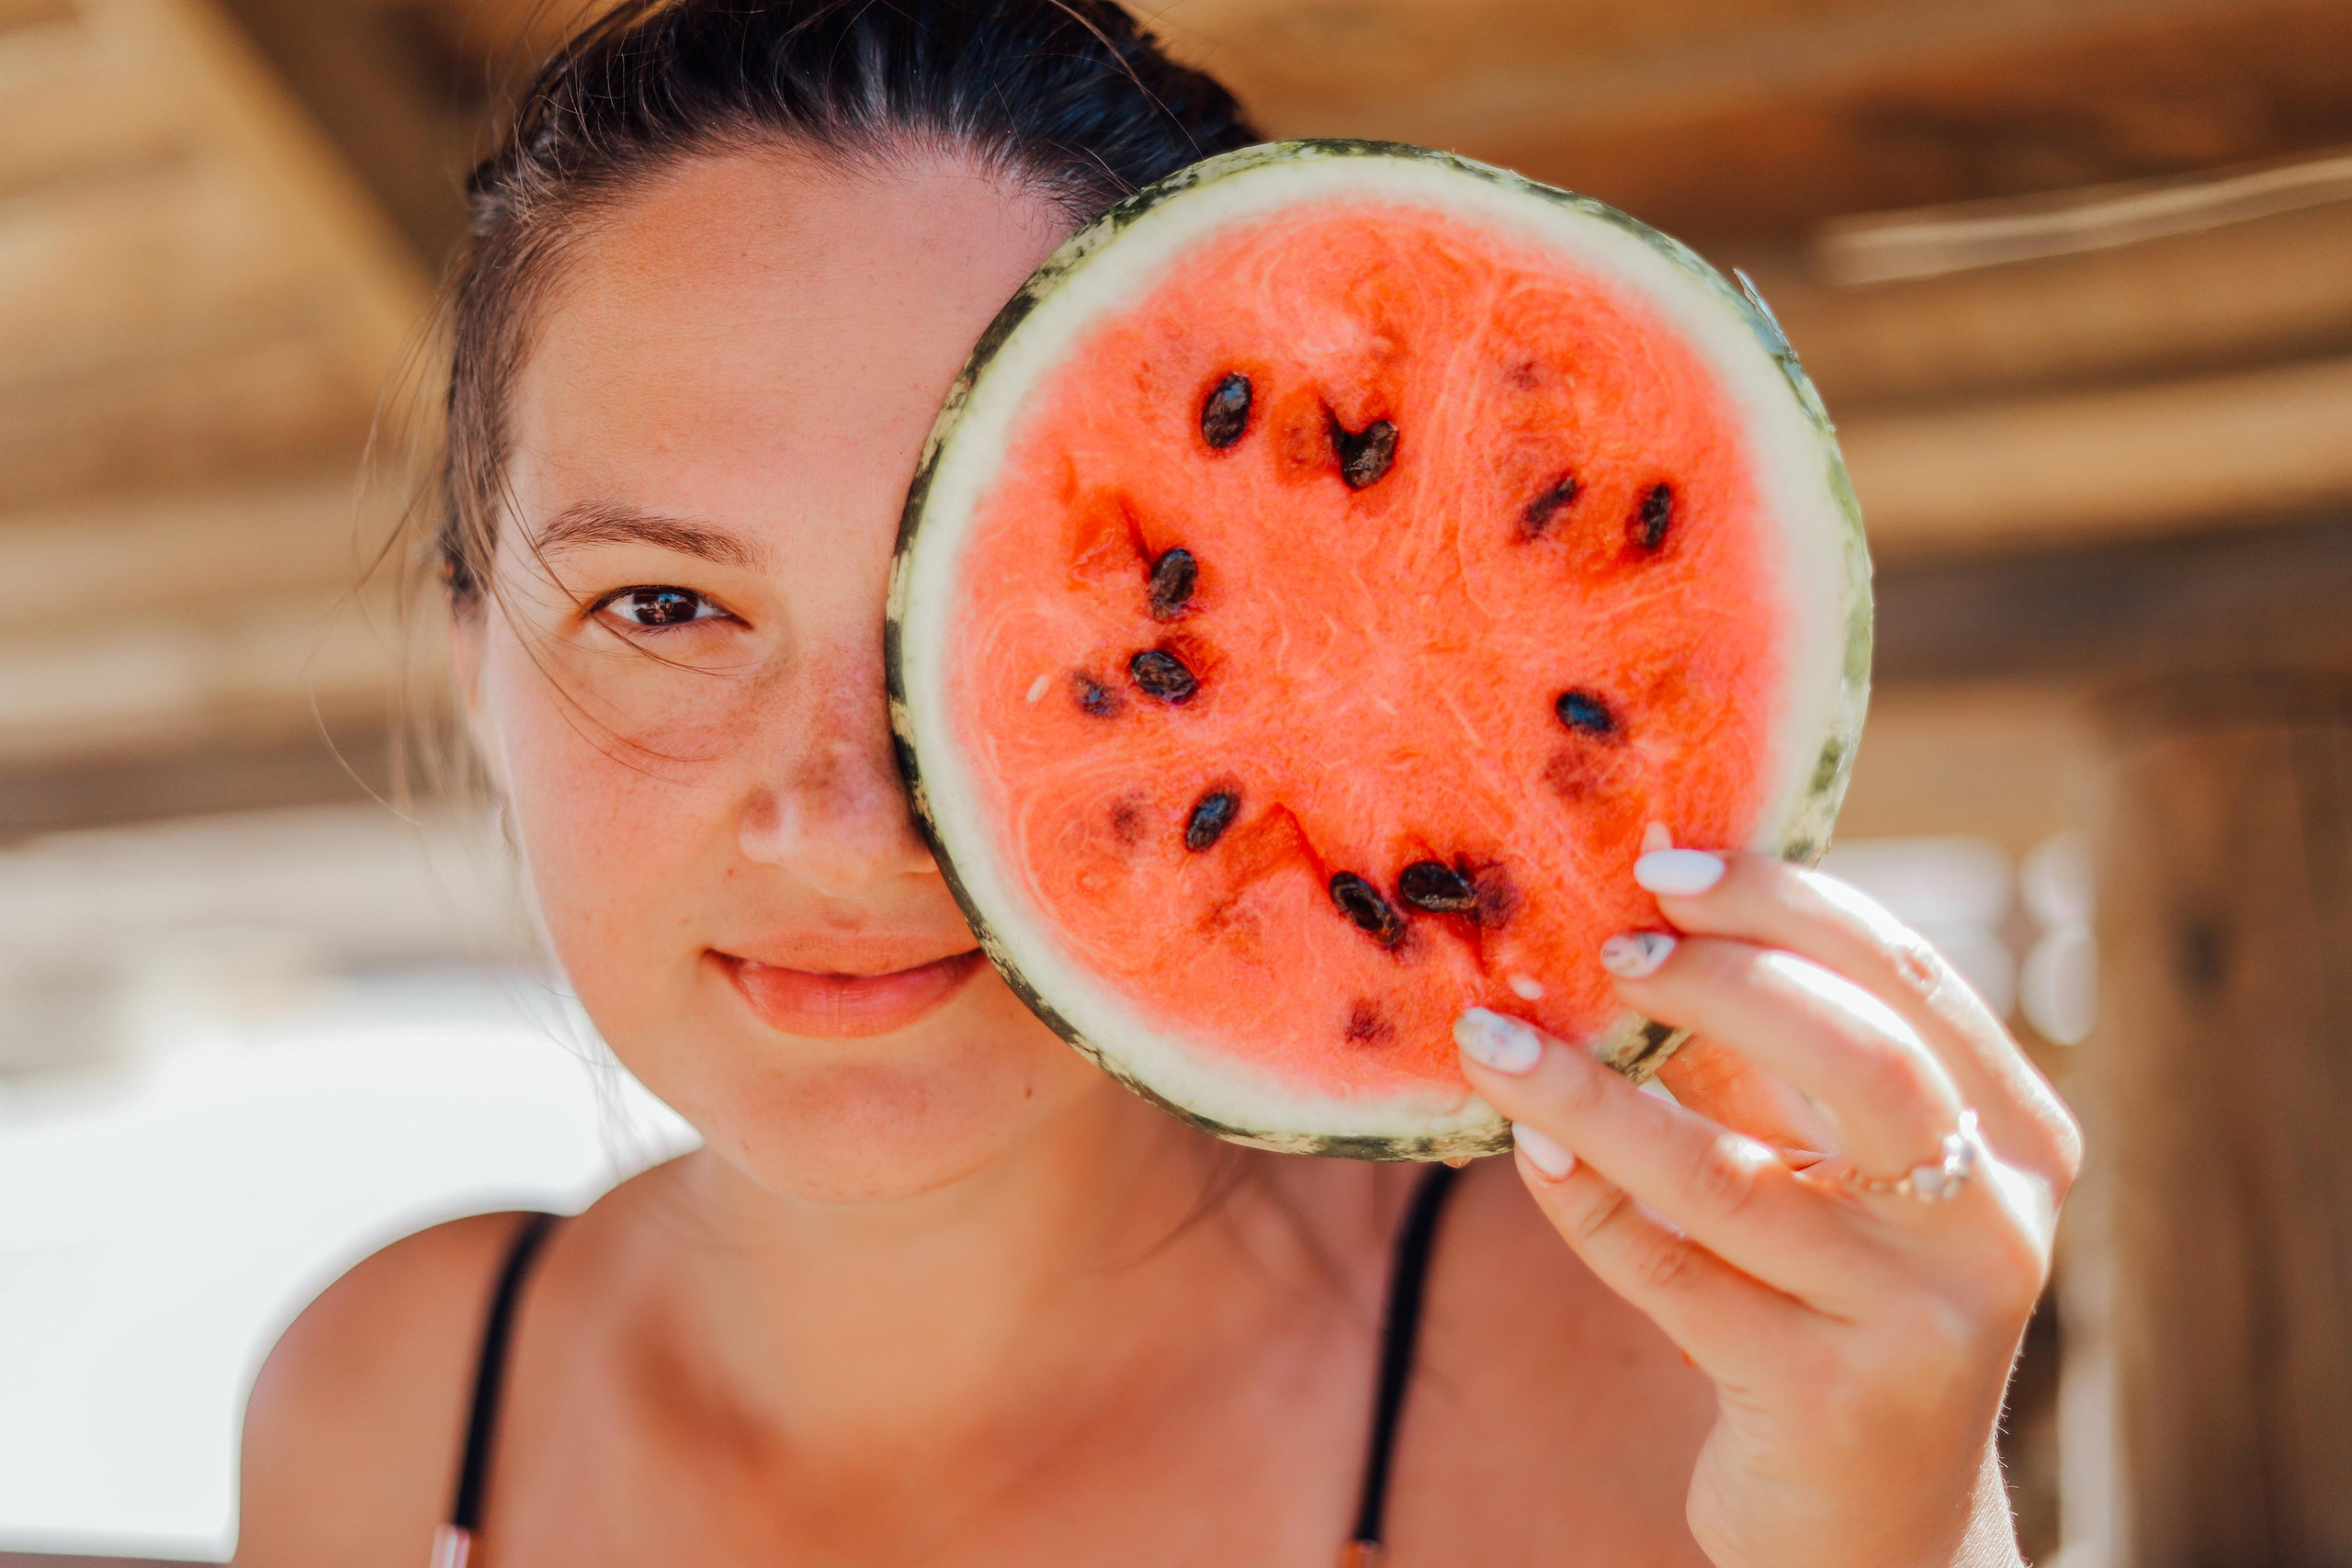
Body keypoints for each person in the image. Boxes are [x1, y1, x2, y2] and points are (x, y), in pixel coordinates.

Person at [231, 3, 2081, 1563]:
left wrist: (1894, 1530)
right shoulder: (383, 1409)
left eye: (1051, 615)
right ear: (480, 668)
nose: (848, 811)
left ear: (1262, 657)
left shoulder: (1644, 1379)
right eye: (661, 603)